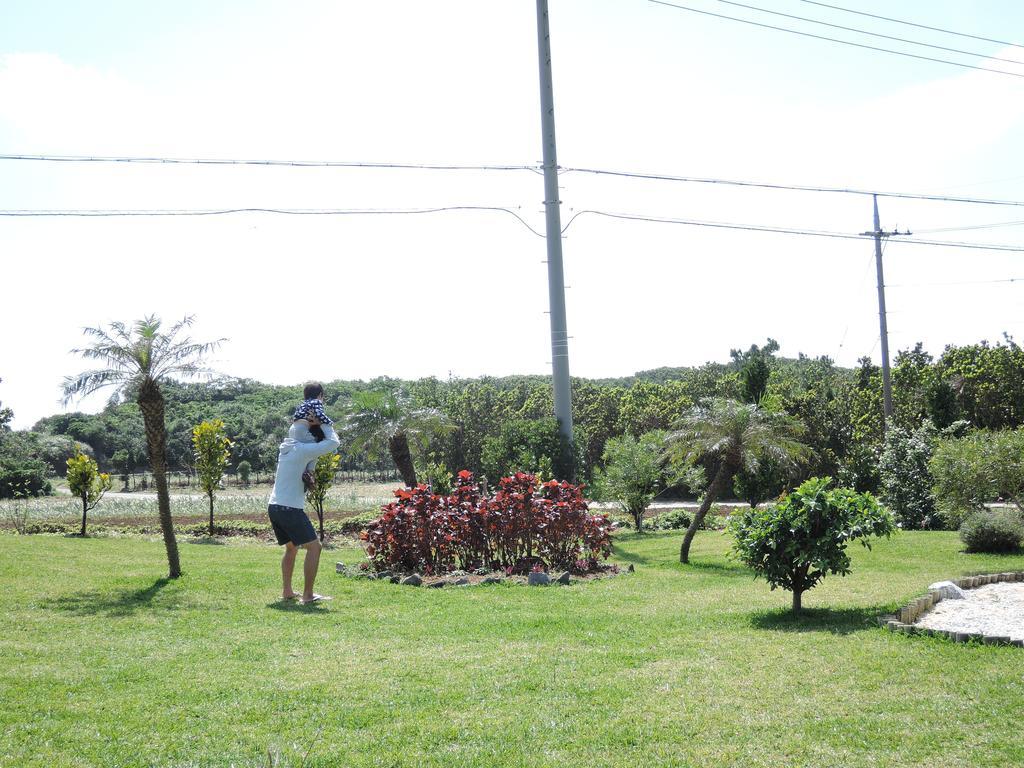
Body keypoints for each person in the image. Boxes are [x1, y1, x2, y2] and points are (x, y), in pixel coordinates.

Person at [267, 418, 340, 604]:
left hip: (275, 506)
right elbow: (333, 443)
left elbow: (306, 471)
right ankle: (308, 595)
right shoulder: (303, 449)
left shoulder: (288, 448)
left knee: (291, 548)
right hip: (290, 507)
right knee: (315, 547)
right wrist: (325, 423)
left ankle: (287, 592)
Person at [292, 382, 332, 489]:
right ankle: (309, 473)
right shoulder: (316, 402)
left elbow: (295, 416)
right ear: (320, 395)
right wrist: (329, 422)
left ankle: (305, 472)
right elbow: (319, 415)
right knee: (314, 450)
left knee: (305, 452)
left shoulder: (302, 404)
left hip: (296, 429)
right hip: (304, 428)